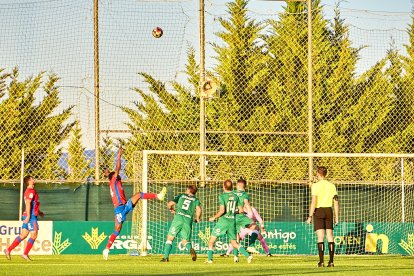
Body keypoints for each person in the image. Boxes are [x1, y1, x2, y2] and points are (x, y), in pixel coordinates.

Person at [103, 148, 166, 260]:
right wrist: (119, 155)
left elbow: (108, 173)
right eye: (117, 175)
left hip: (124, 205)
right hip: (119, 209)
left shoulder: (111, 180)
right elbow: (117, 168)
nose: (119, 176)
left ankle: (158, 196)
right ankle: (107, 249)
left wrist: (106, 169)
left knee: (139, 194)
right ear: (114, 176)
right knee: (117, 230)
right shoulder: (114, 180)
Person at [206, 180, 253, 264]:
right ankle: (247, 255)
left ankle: (209, 259)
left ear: (224, 186)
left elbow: (222, 211)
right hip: (232, 221)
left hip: (223, 221)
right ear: (232, 187)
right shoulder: (236, 196)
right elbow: (241, 210)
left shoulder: (222, 196)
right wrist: (232, 212)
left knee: (211, 240)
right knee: (234, 243)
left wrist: (213, 217)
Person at [4, 176, 44, 261]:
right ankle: (25, 254)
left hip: (27, 214)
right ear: (29, 181)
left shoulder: (28, 191)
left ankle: (8, 250)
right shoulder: (31, 191)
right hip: (31, 216)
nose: (34, 180)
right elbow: (28, 203)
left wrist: (39, 212)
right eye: (32, 179)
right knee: (34, 235)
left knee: (24, 235)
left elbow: (33, 204)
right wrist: (29, 216)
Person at [306, 166, 339, 267]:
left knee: (320, 236)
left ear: (317, 173)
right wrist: (336, 216)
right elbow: (336, 202)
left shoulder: (315, 186)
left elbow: (314, 201)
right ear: (326, 174)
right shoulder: (332, 186)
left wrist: (310, 216)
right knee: (330, 236)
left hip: (319, 211)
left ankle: (321, 262)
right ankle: (331, 261)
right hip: (329, 210)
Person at [161, 185, 202, 262]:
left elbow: (169, 204)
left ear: (188, 190)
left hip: (178, 219)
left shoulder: (181, 196)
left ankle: (166, 257)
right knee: (185, 241)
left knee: (170, 238)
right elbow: (199, 210)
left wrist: (171, 209)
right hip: (188, 221)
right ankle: (190, 249)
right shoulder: (196, 200)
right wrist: (197, 218)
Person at [233, 179, 259, 254]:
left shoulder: (231, 193)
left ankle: (235, 256)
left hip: (232, 217)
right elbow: (246, 203)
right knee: (256, 227)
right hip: (241, 216)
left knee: (236, 236)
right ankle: (251, 245)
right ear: (244, 187)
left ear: (237, 185)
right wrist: (250, 214)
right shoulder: (245, 195)